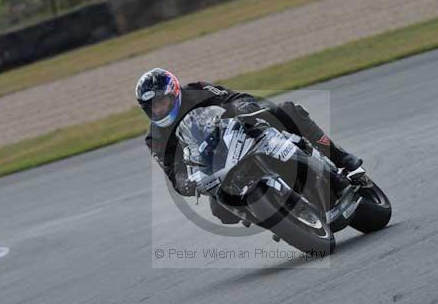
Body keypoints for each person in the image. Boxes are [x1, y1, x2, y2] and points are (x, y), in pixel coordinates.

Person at [136, 68, 363, 221]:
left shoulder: (196, 90)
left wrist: (243, 107)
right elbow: (172, 170)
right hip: (212, 166)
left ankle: (341, 157)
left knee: (286, 110)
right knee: (222, 213)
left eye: (161, 102)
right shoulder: (154, 137)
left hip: (235, 133)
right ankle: (275, 217)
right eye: (152, 107)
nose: (158, 109)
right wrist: (186, 182)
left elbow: (233, 97)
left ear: (173, 92)